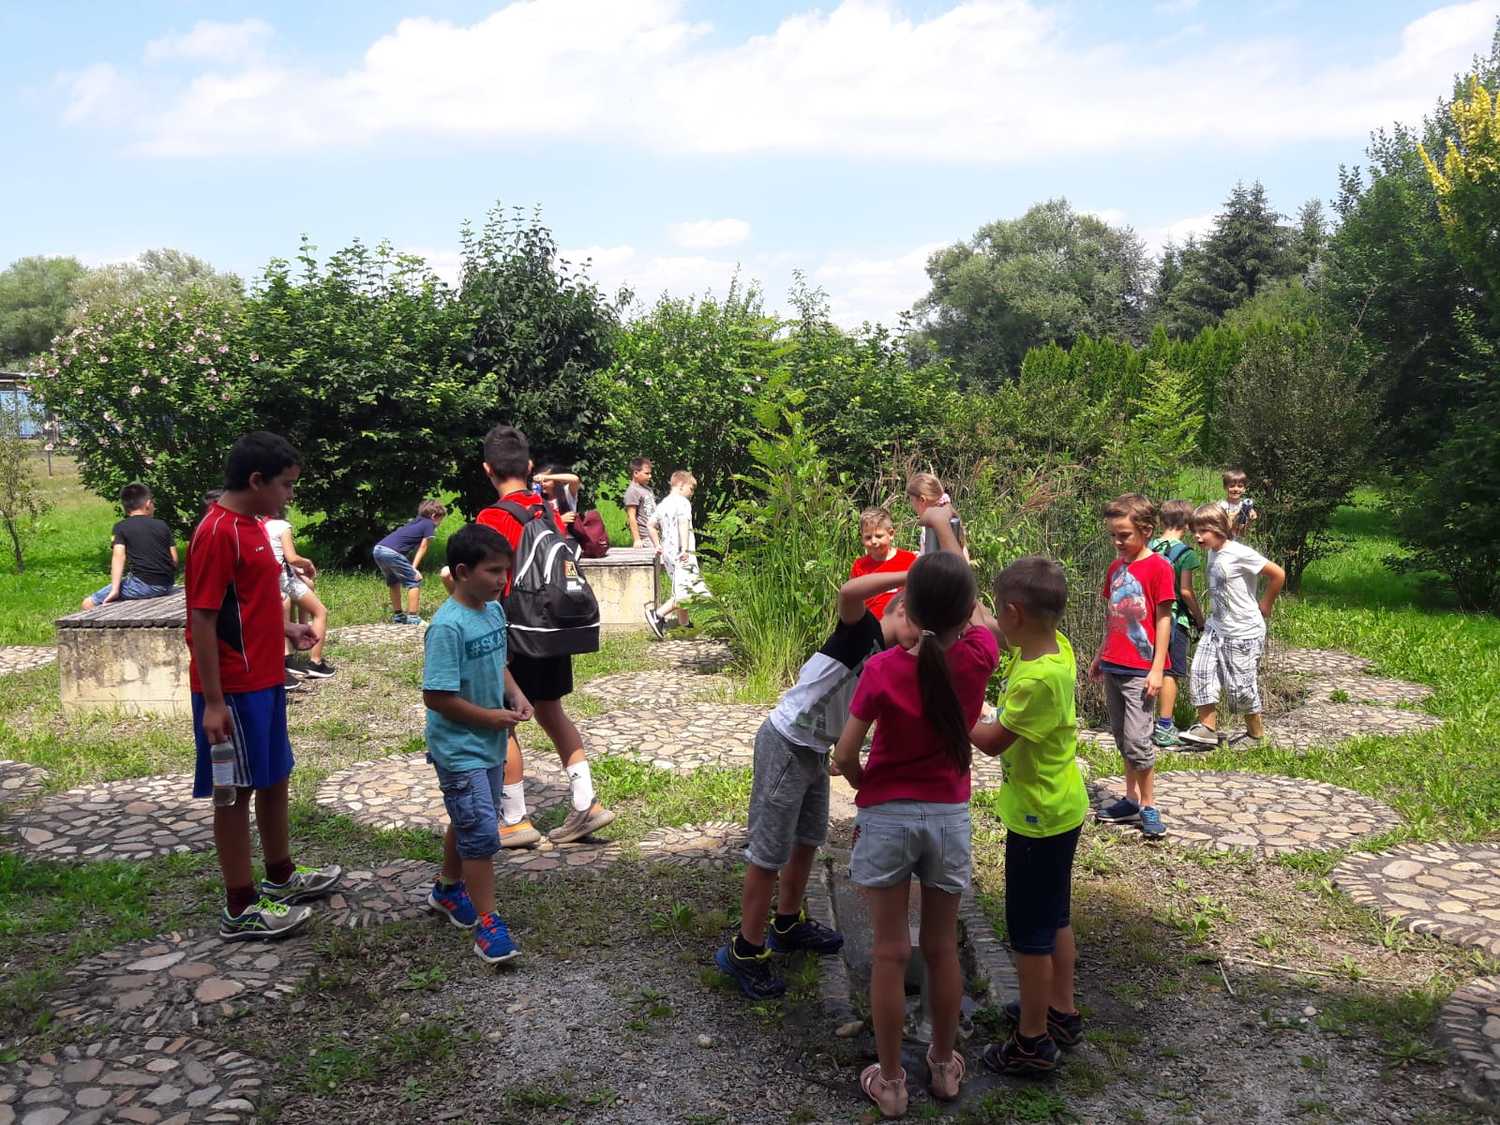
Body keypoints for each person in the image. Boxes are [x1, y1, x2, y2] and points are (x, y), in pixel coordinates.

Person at [833, 552, 999, 1117]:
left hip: (887, 817)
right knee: (941, 946)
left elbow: (845, 754)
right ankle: (945, 1066)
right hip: (947, 816)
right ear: (967, 611)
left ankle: (891, 1082)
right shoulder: (979, 656)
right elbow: (986, 625)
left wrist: (866, 784)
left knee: (889, 952)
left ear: (910, 610)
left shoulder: (882, 669)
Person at [715, 568, 920, 1000]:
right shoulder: (862, 630)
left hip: (815, 750)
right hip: (786, 743)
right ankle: (745, 950)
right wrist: (909, 573)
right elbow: (849, 591)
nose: (920, 640)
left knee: (808, 840)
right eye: (920, 627)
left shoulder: (890, 661)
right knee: (768, 853)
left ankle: (787, 924)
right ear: (902, 608)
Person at [186, 432, 342, 941]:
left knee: (275, 777)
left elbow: (248, 604)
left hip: (267, 678)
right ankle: (239, 906)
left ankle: (281, 876)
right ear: (256, 480)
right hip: (233, 688)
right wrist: (213, 702)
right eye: (286, 485)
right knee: (234, 793)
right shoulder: (217, 533)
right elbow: (203, 620)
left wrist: (286, 630)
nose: (290, 495)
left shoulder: (254, 526)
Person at [970, 557, 1088, 1075]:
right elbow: (992, 624)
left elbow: (992, 741)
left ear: (1016, 613)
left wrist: (957, 706)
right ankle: (1061, 1010)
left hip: (1037, 820)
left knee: (1030, 936)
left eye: (1000, 611)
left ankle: (1032, 1042)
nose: (996, 619)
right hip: (1061, 808)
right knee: (1055, 916)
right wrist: (961, 577)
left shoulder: (1036, 681)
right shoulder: (1054, 646)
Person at [475, 424, 616, 844]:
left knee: (504, 723)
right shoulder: (546, 510)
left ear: (487, 470)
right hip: (551, 627)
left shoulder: (492, 517)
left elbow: (491, 582)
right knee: (552, 711)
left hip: (515, 632)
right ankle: (587, 803)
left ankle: (514, 820)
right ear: (531, 466)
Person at [422, 523, 534, 964]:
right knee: (482, 835)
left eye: (505, 570)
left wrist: (515, 695)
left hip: (489, 743)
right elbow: (437, 697)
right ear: (462, 572)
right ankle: (488, 924)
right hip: (460, 748)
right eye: (493, 571)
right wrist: (490, 719)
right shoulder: (447, 627)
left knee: (468, 817)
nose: (502, 580)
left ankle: (448, 890)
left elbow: (499, 664)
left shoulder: (492, 612)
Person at [1090, 494, 1175, 839]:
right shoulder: (1115, 569)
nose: (1117, 541)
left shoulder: (1159, 567)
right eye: (1113, 535)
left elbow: (1164, 619)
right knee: (1123, 737)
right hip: (1114, 664)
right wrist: (1101, 654)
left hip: (1141, 669)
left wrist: (1157, 668)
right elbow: (1113, 617)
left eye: (1124, 535)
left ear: (1146, 530)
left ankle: (1149, 805)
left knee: (1139, 740)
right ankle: (1130, 799)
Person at [1179, 504, 1286, 749]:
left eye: (1203, 531)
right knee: (1201, 671)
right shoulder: (1212, 551)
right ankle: (1207, 729)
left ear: (1218, 529)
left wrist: (1266, 604)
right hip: (1217, 627)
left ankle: (1255, 735)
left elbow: (1278, 574)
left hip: (1243, 630)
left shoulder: (1239, 553)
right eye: (1195, 531)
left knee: (1240, 686)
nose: (1198, 537)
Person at [1147, 500, 1204, 748]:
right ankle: (1164, 725)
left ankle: (1141, 721)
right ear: (1189, 525)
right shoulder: (1186, 554)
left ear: (1161, 521)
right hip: (1173, 619)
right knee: (1171, 671)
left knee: (1149, 666)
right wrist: (1200, 619)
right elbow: (1186, 591)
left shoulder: (1148, 547)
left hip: (1147, 617)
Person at [82, 482, 178, 609]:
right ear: (148, 504)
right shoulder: (162, 525)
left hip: (141, 585)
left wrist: (115, 589)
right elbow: (174, 560)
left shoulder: (121, 527)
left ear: (125, 507)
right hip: (167, 585)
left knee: (88, 603)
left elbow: (119, 557)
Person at [264, 511, 334, 681]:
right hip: (284, 579)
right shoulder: (282, 526)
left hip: (270, 579)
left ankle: (289, 654)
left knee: (304, 589)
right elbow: (292, 558)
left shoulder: (260, 525)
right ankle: (315, 663)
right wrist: (308, 563)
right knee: (320, 612)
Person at [643, 471, 711, 638]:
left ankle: (684, 623)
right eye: (691, 488)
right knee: (688, 590)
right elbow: (683, 523)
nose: (691, 493)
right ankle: (657, 615)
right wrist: (685, 549)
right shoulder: (683, 502)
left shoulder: (664, 503)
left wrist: (657, 545)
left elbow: (650, 524)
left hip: (668, 553)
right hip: (682, 553)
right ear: (681, 485)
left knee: (682, 585)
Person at [372, 500, 444, 624]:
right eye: (440, 519)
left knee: (393, 581)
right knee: (414, 580)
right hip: (392, 552)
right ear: (434, 516)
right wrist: (414, 568)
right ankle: (413, 618)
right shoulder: (429, 524)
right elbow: (423, 547)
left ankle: (399, 616)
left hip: (379, 549)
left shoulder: (417, 521)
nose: (440, 523)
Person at [849, 507, 916, 620]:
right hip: (871, 625)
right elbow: (853, 600)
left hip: (902, 623)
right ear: (862, 539)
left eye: (879, 536)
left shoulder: (909, 559)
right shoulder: (859, 566)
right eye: (868, 537)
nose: (874, 541)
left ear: (891, 534)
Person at [906, 472, 968, 559]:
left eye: (912, 500)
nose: (912, 505)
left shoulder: (932, 527)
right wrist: (920, 556)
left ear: (922, 500)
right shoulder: (951, 520)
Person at [622, 457, 657, 549]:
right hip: (645, 537)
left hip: (654, 534)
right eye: (646, 473)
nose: (650, 476)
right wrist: (637, 539)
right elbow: (631, 516)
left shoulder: (647, 489)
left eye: (650, 473)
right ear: (636, 473)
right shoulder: (633, 491)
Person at [1217, 468, 1258, 533]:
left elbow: (1243, 532)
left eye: (1240, 486)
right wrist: (1236, 516)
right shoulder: (1220, 506)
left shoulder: (1245, 506)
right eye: (1232, 486)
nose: (1236, 489)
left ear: (1244, 489)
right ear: (1225, 487)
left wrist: (1250, 521)